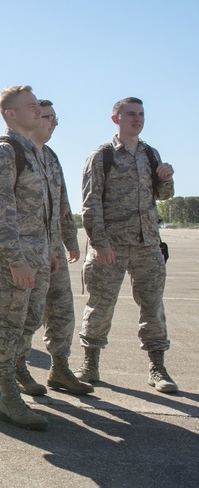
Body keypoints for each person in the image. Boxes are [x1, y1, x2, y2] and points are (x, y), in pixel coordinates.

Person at [76, 97, 177, 393]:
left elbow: (162, 196)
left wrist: (167, 179)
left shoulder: (150, 154)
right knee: (100, 306)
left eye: (141, 114)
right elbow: (90, 204)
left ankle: (157, 368)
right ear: (116, 119)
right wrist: (100, 244)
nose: (137, 118)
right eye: (131, 114)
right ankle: (89, 363)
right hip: (112, 246)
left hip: (148, 244)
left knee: (153, 307)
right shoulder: (102, 156)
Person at [0, 86, 52, 430]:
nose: (38, 109)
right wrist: (15, 259)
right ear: (10, 113)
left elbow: (39, 211)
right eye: (31, 105)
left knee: (28, 322)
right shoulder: (4, 152)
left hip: (35, 255)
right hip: (12, 258)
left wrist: (45, 251)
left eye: (38, 104)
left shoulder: (33, 152)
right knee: (8, 325)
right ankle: (8, 396)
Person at [33, 100, 93, 395]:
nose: (53, 123)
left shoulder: (51, 156)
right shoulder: (19, 154)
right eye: (47, 117)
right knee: (26, 316)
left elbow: (63, 202)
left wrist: (70, 239)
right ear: (32, 118)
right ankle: (11, 372)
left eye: (55, 118)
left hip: (54, 247)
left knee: (62, 311)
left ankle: (59, 368)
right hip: (29, 250)